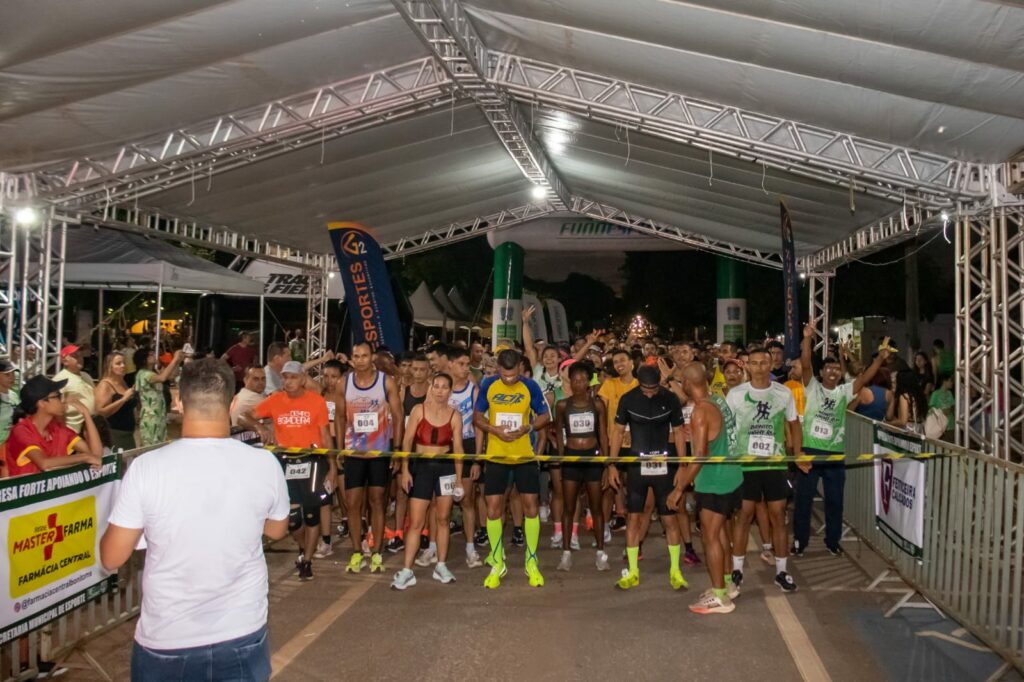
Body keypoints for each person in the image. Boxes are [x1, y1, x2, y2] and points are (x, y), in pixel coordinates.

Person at [100, 358, 290, 682]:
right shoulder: (265, 464)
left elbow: (112, 556)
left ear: (178, 401)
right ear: (231, 403)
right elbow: (275, 529)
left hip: (167, 639)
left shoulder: (147, 468)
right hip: (242, 631)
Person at [793, 326, 889, 557]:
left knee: (835, 502)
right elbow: (806, 364)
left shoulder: (845, 391)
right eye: (829, 368)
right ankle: (800, 541)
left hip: (835, 455)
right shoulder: (812, 387)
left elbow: (865, 377)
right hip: (810, 452)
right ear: (822, 372)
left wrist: (880, 359)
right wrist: (806, 340)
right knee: (803, 500)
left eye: (837, 369)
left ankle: (833, 541)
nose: (834, 372)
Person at [240, 361, 333, 581]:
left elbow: (326, 435)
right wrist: (260, 426)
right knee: (292, 520)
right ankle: (303, 548)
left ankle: (307, 560)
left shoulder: (316, 402)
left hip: (312, 460)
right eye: (285, 377)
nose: (288, 381)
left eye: (292, 377)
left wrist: (332, 467)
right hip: (284, 462)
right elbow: (243, 416)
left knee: (311, 514)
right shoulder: (274, 400)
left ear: (302, 379)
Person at [473, 348, 551, 589]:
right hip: (496, 456)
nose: (508, 379)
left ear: (520, 367)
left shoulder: (530, 386)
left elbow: (545, 415)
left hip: (524, 457)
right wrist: (493, 430)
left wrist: (528, 428)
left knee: (530, 508)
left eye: (512, 375)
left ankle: (531, 560)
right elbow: (477, 416)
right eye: (504, 375)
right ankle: (497, 561)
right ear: (498, 369)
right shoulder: (488, 385)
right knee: (494, 509)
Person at [606, 365, 688, 591]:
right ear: (638, 384)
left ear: (659, 384)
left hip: (664, 465)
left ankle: (676, 571)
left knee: (669, 519)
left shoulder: (670, 398)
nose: (650, 393)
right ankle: (632, 571)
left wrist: (683, 465)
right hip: (637, 466)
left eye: (653, 389)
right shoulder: (628, 399)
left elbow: (680, 432)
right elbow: (617, 431)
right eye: (645, 390)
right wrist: (611, 465)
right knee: (633, 519)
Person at [728, 347, 802, 593]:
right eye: (754, 363)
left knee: (778, 516)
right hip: (745, 464)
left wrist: (799, 454)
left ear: (771, 366)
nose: (759, 367)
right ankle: (736, 570)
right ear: (747, 367)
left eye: (764, 363)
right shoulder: (736, 394)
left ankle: (782, 571)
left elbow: (794, 423)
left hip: (774, 463)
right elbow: (727, 427)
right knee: (744, 515)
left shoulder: (783, 393)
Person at [670, 362, 741, 614]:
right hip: (731, 477)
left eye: (681, 382)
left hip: (715, 481)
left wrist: (679, 489)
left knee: (710, 537)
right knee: (721, 533)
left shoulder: (701, 411)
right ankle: (727, 584)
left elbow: (700, 455)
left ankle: (721, 598)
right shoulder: (718, 399)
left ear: (689, 384)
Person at [391, 374, 465, 589]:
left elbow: (458, 449)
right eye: (437, 386)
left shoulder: (454, 415)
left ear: (450, 391)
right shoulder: (418, 411)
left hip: (445, 468)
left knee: (443, 519)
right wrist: (405, 471)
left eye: (445, 387)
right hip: (421, 468)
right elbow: (406, 441)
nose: (440, 390)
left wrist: (459, 479)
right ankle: (407, 570)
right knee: (416, 522)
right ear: (431, 388)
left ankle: (441, 565)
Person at [336, 342, 403, 575]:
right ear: (352, 358)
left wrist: (397, 450)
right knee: (353, 502)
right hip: (354, 452)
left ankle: (376, 552)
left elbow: (397, 415)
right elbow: (340, 418)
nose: (361, 360)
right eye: (356, 356)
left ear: (372, 357)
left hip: (379, 451)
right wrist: (339, 450)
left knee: (377, 500)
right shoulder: (344, 383)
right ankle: (356, 551)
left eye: (365, 355)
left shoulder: (386, 382)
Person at [553, 363, 610, 572]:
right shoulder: (561, 405)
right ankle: (566, 553)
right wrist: (561, 456)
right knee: (568, 506)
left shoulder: (597, 405)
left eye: (583, 380)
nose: (579, 384)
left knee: (596, 507)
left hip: (592, 457)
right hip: (571, 458)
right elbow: (558, 432)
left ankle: (601, 553)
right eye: (575, 380)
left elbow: (603, 433)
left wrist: (606, 461)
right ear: (570, 381)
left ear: (588, 382)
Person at [4, 375, 103, 476]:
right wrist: (84, 457)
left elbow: (96, 456)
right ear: (42, 403)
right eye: (57, 396)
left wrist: (86, 414)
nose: (62, 401)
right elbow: (44, 463)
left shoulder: (58, 429)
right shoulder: (21, 431)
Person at [447, 347, 484, 568]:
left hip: (468, 444)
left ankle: (470, 547)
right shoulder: (440, 388)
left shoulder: (473, 390)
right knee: (438, 501)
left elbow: (480, 427)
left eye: (467, 364)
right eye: (461, 364)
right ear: (450, 364)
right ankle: (433, 546)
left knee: (467, 499)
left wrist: (477, 459)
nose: (465, 368)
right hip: (444, 448)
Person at [597, 349, 637, 533]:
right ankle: (615, 518)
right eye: (615, 362)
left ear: (632, 363)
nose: (619, 364)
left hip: (635, 442)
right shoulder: (609, 384)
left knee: (634, 482)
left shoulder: (639, 385)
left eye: (623, 360)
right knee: (612, 482)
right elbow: (601, 412)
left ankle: (634, 518)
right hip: (613, 441)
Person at [133, 349, 184, 446]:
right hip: (151, 416)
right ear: (144, 359)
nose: (153, 356)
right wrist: (175, 359)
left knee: (158, 443)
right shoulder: (144, 373)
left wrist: (177, 361)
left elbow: (172, 375)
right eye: (150, 355)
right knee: (152, 445)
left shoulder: (151, 372)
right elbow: (162, 378)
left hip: (158, 414)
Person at [93, 352, 138, 451]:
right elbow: (100, 412)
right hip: (114, 434)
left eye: (124, 363)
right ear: (110, 366)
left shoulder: (123, 382)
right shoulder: (105, 385)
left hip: (128, 433)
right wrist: (123, 399)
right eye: (118, 363)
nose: (123, 366)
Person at [53, 344, 96, 434]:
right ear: (65, 361)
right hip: (72, 430)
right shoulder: (60, 379)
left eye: (81, 356)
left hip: (89, 428)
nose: (80, 358)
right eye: (75, 356)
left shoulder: (86, 375)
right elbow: (55, 409)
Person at [888, 370, 928, 435]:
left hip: (908, 431)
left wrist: (888, 424)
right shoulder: (919, 395)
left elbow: (903, 421)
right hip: (919, 430)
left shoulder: (904, 396)